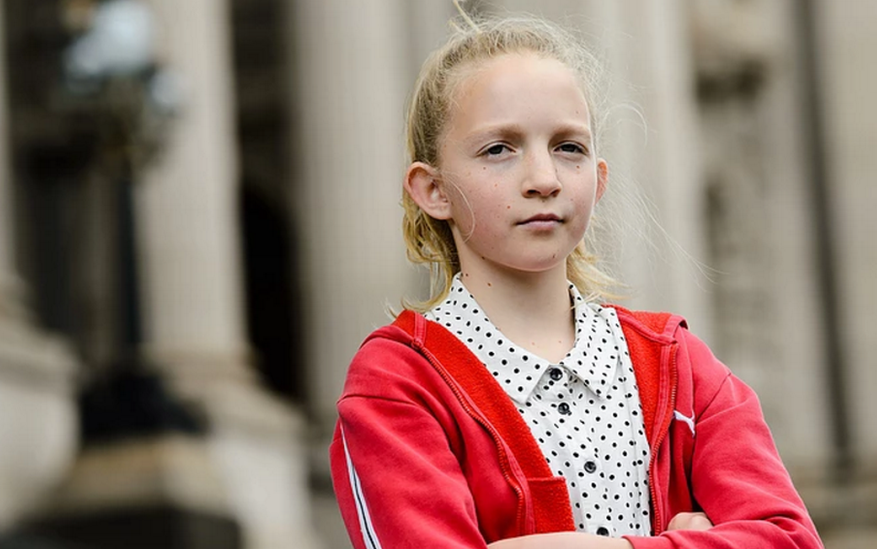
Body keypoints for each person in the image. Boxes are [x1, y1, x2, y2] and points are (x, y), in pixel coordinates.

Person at [329, 12, 823, 549]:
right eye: (499, 149)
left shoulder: (680, 365)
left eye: (569, 147)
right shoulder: (399, 384)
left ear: (599, 178)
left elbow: (790, 539)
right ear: (433, 190)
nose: (544, 179)